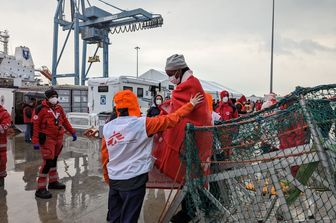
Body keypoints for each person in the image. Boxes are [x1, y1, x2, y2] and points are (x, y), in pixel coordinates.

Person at [101, 89, 204, 223]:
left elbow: (105, 155)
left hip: (115, 179)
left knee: (114, 218)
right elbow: (172, 119)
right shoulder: (143, 124)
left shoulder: (108, 127)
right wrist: (190, 104)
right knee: (129, 218)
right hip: (134, 181)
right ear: (134, 105)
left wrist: (107, 177)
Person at [153, 54, 212, 222]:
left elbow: (180, 112)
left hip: (191, 140)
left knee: (189, 176)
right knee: (191, 176)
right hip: (196, 138)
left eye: (171, 73)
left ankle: (190, 212)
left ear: (179, 71)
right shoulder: (191, 83)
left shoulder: (188, 85)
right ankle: (191, 209)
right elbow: (179, 108)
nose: (170, 78)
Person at [32, 88, 77, 199]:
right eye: (52, 97)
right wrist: (35, 141)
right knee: (47, 163)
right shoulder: (40, 109)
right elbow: (35, 126)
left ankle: (53, 182)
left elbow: (65, 121)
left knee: (54, 161)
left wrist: (72, 132)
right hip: (47, 139)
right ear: (47, 98)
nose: (55, 98)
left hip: (58, 138)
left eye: (56, 96)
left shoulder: (59, 108)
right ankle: (40, 188)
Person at [0, 105, 12, 187]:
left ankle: (1, 181)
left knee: (2, 161)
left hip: (1, 144)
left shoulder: (4, 113)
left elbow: (5, 126)